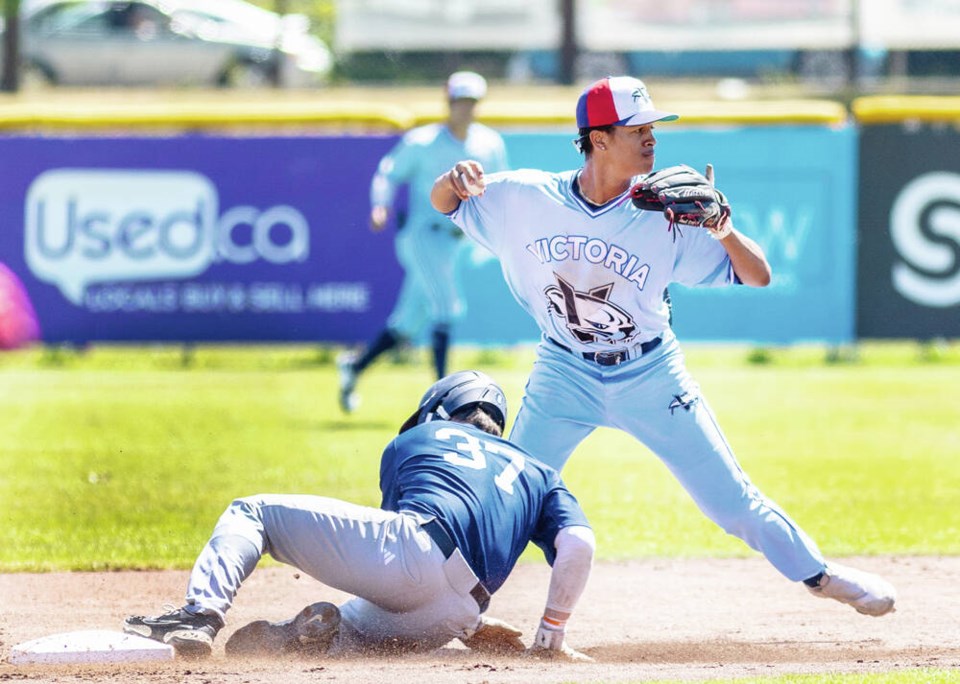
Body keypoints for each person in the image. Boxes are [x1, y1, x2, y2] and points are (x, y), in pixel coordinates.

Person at [430, 76, 896, 619]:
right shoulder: (525, 197)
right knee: (506, 500)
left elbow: (758, 275)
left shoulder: (666, 212)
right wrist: (452, 179)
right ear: (598, 139)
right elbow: (446, 204)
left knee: (730, 503)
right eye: (638, 128)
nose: (653, 138)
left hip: (651, 375)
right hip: (563, 373)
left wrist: (723, 229)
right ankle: (440, 607)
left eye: (654, 127)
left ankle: (821, 576)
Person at [124, 371, 595, 661]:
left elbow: (404, 566)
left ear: (437, 410)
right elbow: (578, 544)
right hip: (457, 612)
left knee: (253, 513)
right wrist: (549, 633)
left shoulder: (416, 439)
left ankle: (198, 616)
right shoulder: (539, 471)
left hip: (413, 552)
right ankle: (305, 638)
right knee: (358, 637)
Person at [338, 71, 510, 413]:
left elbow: (499, 187)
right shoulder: (424, 141)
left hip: (455, 243)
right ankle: (447, 398)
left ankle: (353, 367)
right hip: (422, 236)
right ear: (448, 103)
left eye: (471, 102)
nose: (465, 109)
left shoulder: (488, 143)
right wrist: (380, 205)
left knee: (407, 322)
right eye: (460, 102)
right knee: (447, 307)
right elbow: (388, 171)